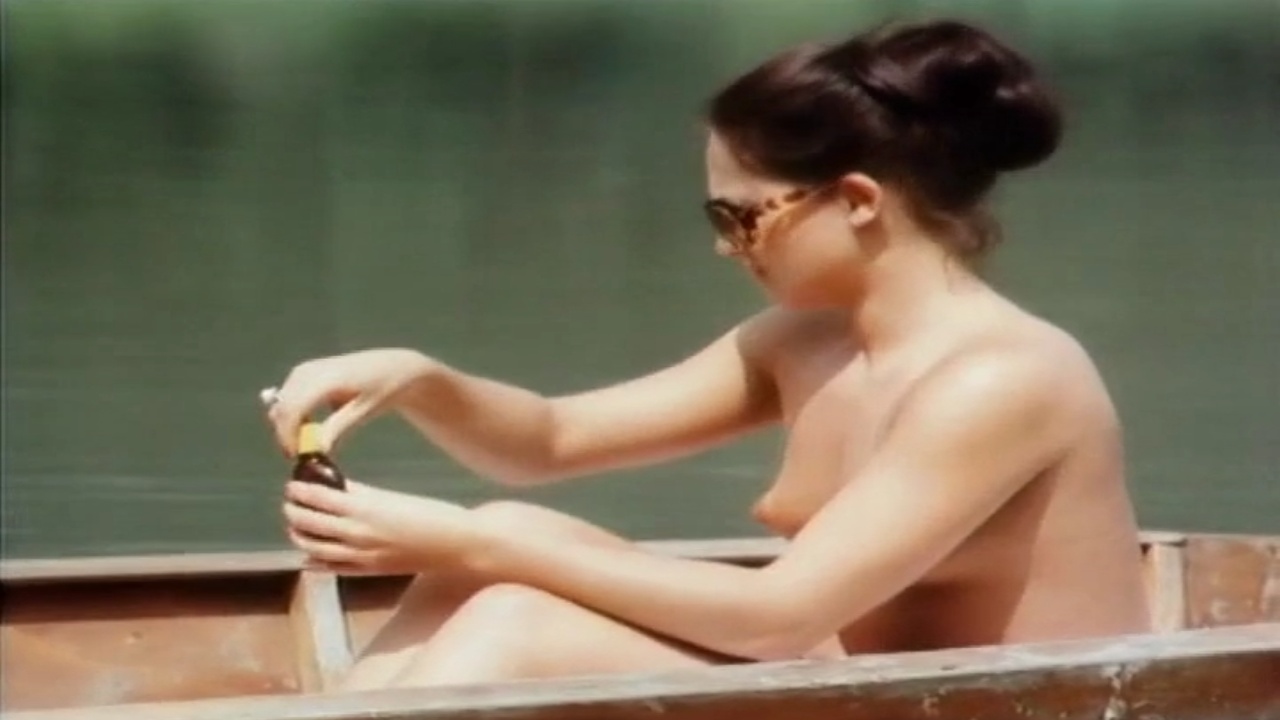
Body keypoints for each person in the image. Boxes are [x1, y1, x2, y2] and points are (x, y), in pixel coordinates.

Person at [264, 19, 1152, 691]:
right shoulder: (807, 342)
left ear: (855, 201)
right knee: (490, 552)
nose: (726, 246)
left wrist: (477, 539)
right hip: (863, 692)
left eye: (741, 216)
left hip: (992, 711)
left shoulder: (1002, 380)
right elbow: (549, 441)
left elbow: (779, 617)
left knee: (512, 613)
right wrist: (419, 380)